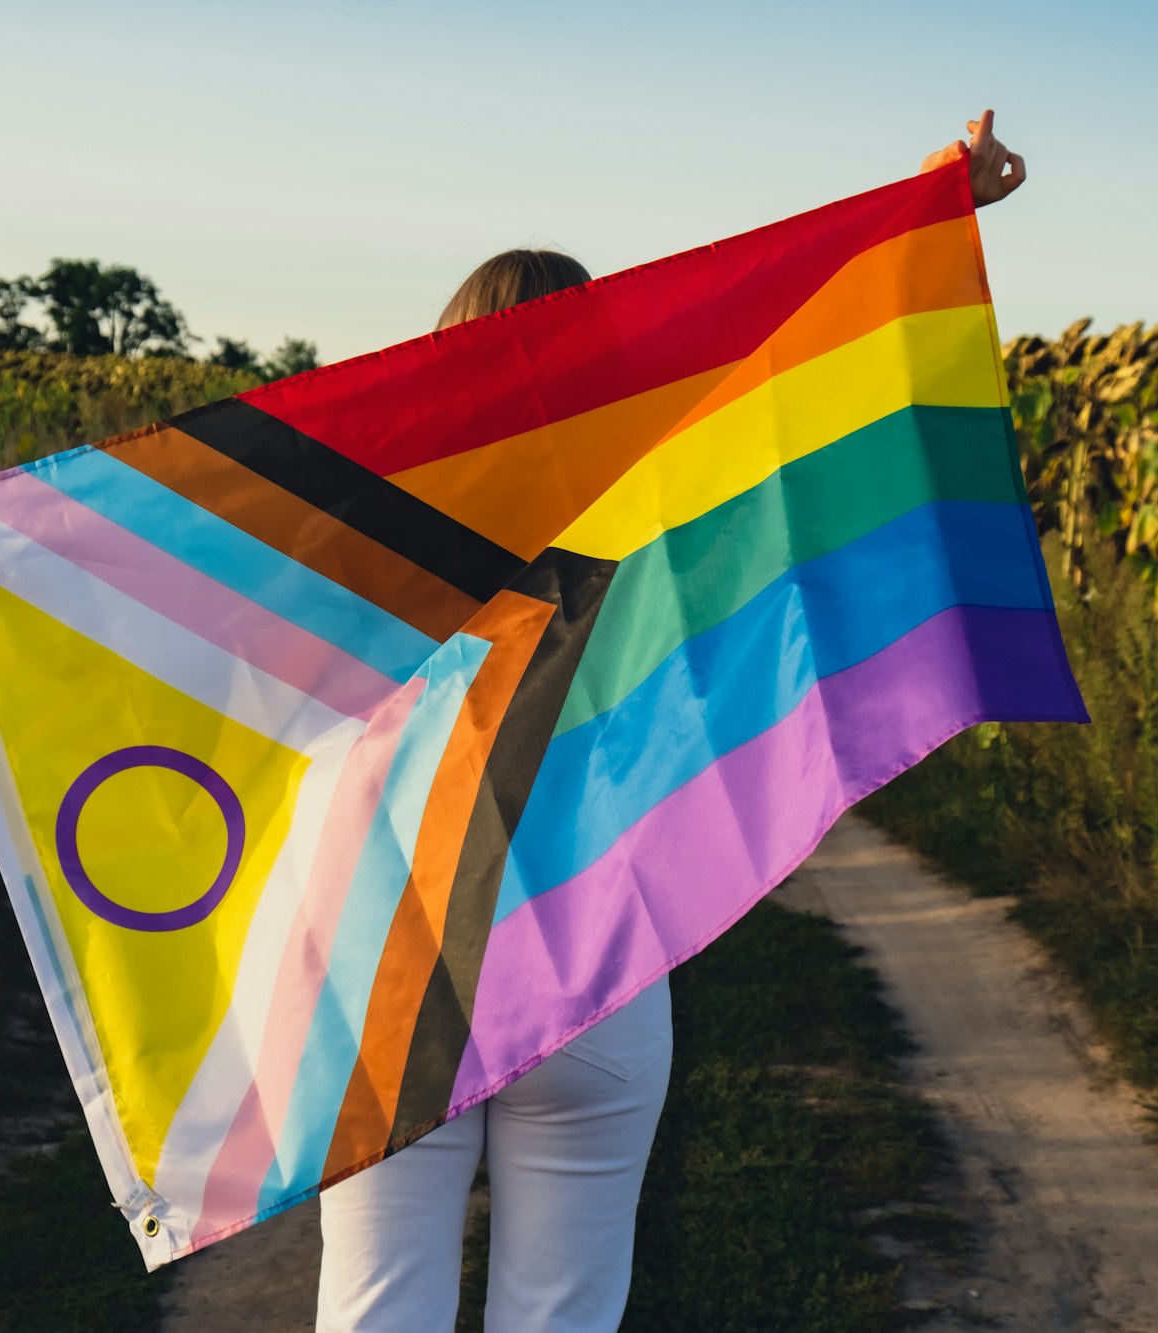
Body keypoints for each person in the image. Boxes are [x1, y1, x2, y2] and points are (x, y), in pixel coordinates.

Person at [313, 110, 1026, 1332]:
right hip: (597, 966)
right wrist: (933, 204)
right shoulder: (658, 520)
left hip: (401, 970)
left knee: (375, 1305)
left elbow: (189, 637)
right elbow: (796, 380)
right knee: (564, 1310)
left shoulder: (361, 529)